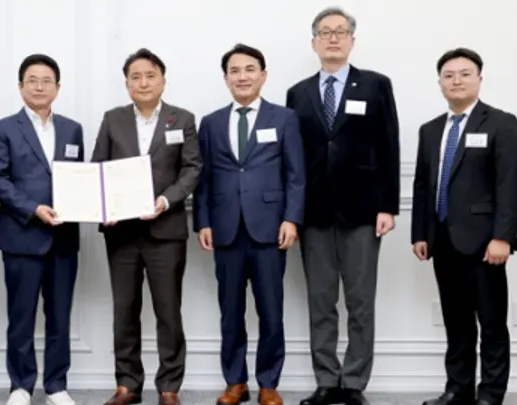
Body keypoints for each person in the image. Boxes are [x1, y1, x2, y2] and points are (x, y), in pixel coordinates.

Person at [285, 7, 400, 405]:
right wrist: (292, 212)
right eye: (325, 32)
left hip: (363, 211)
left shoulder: (375, 85)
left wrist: (387, 206)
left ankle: (353, 384)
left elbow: (388, 145)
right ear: (313, 42)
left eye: (340, 31)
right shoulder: (297, 93)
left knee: (360, 301)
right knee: (320, 301)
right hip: (314, 212)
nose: (332, 38)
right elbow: (293, 157)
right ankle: (326, 380)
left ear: (352, 40)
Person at [193, 44, 305, 405]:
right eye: (235, 70)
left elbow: (296, 175)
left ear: (263, 75)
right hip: (225, 229)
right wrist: (203, 221)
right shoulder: (211, 122)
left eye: (250, 69)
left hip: (270, 229)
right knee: (230, 311)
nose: (242, 76)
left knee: (271, 309)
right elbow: (204, 178)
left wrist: (291, 218)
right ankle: (235, 381)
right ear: (226, 78)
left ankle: (269, 382)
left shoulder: (284, 118)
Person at [91, 48, 202, 405]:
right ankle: (128, 384)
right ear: (127, 83)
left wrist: (166, 200)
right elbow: (99, 168)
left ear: (163, 81)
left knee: (168, 311)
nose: (143, 82)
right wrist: (103, 207)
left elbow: (192, 169)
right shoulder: (113, 119)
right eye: (135, 77)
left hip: (166, 231)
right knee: (124, 310)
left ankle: (169, 386)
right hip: (121, 233)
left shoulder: (181, 119)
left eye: (150, 76)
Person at [412, 48, 517, 405]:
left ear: (479, 79)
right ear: (440, 82)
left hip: (486, 242)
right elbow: (423, 186)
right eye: (449, 75)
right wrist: (421, 233)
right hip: (443, 241)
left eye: (465, 74)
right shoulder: (430, 130)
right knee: (456, 322)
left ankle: (491, 393)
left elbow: (509, 184)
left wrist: (503, 237)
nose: (456, 81)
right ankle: (458, 390)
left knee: (491, 322)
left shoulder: (502, 123)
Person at [0, 54, 84, 405]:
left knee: (60, 318)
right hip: (22, 236)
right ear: (20, 86)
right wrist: (33, 209)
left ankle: (56, 385)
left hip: (63, 239)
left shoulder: (72, 129)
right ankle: (21, 386)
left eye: (46, 81)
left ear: (58, 87)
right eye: (32, 80)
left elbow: (80, 178)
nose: (39, 86)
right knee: (21, 317)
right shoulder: (3, 128)